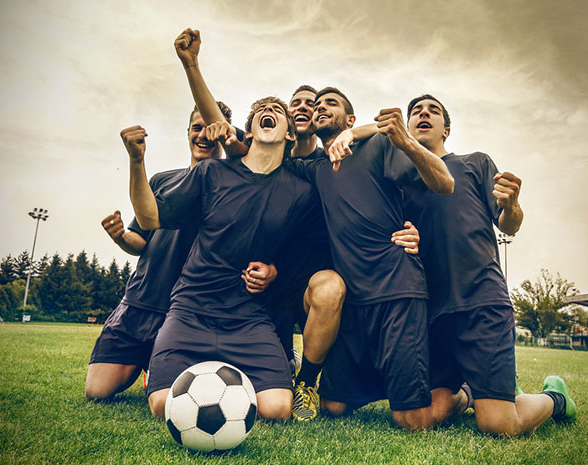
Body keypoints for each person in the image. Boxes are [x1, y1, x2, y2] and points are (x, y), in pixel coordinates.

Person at [174, 28, 421, 422]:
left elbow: (385, 137)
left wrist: (354, 134)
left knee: (329, 291)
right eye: (299, 103)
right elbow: (219, 123)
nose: (308, 107)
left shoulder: (335, 160)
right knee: (258, 369)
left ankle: (307, 381)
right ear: (287, 119)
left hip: (312, 282)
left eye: (315, 103)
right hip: (259, 278)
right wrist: (192, 66)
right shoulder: (274, 157)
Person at [349, 93, 577, 435]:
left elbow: (509, 224)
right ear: (406, 128)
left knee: (499, 425)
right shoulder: (400, 182)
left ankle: (555, 397)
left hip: (481, 302)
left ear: (447, 129)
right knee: (419, 419)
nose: (423, 114)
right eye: (415, 112)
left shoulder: (475, 162)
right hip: (430, 312)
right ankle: (472, 392)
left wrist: (512, 203)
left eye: (433, 111)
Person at [286, 87, 456, 431]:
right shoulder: (314, 168)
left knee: (413, 422)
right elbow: (260, 153)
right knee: (332, 407)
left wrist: (400, 139)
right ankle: (322, 384)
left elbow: (445, 183)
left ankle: (460, 394)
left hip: (398, 290)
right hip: (354, 302)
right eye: (317, 105)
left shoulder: (378, 146)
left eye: (330, 104)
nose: (320, 108)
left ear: (350, 119)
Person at [85, 102, 235, 400]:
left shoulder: (231, 186)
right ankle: (147, 363)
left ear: (223, 135)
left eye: (211, 128)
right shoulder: (162, 181)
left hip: (187, 312)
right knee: (97, 391)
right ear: (187, 132)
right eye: (196, 128)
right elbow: (140, 240)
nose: (203, 135)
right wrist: (120, 237)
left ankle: (158, 361)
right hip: (142, 300)